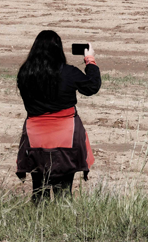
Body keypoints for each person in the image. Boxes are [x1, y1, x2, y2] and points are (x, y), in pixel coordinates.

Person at [15, 30, 101, 203]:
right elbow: (92, 86)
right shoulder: (68, 72)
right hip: (66, 137)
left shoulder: (25, 73)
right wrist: (89, 59)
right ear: (59, 49)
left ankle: (38, 224)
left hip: (35, 137)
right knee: (64, 192)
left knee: (39, 192)